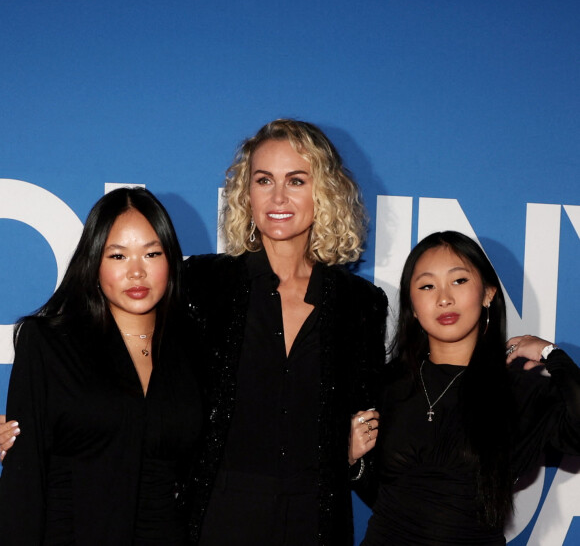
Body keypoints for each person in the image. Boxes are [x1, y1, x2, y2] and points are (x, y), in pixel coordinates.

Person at [182, 119, 387, 545]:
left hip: (313, 521)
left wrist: (345, 455)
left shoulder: (359, 303)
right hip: (216, 519)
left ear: (324, 191)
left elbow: (366, 431)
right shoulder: (201, 285)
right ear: (247, 193)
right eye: (263, 180)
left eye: (296, 180)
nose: (278, 197)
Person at [0, 187, 203, 545]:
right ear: (94, 262)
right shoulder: (47, 345)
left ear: (171, 261)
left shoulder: (194, 350)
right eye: (118, 256)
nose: (137, 272)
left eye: (152, 253)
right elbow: (23, 485)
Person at [360, 231, 580, 545]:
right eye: (427, 286)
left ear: (489, 293)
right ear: (413, 305)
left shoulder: (521, 392)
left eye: (459, 281)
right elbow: (384, 493)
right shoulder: (387, 383)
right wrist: (353, 462)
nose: (444, 298)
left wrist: (552, 354)